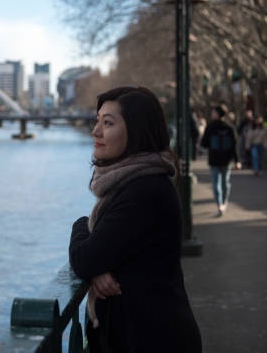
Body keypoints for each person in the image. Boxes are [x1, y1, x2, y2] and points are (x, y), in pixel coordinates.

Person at [69, 86, 202, 353]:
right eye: (98, 121)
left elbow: (85, 258)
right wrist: (98, 263)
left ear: (137, 130)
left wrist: (81, 226)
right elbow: (99, 255)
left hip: (152, 338)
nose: (96, 131)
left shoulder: (143, 191)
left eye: (108, 123)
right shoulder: (137, 182)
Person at [200, 106, 241, 216]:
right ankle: (222, 204)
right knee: (224, 184)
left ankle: (220, 204)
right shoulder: (229, 128)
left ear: (218, 114)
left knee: (218, 184)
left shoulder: (213, 127)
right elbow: (234, 146)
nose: (212, 114)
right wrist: (237, 161)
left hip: (217, 160)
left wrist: (237, 160)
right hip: (225, 161)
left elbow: (204, 143)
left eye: (213, 112)